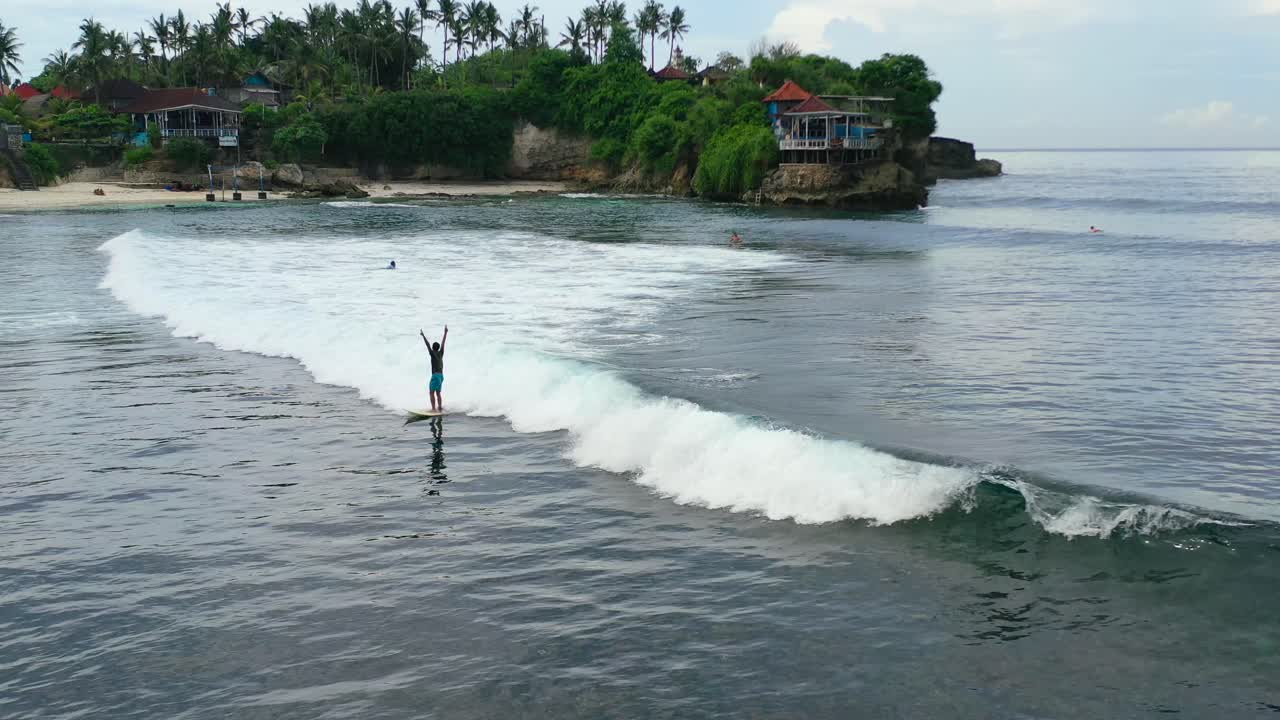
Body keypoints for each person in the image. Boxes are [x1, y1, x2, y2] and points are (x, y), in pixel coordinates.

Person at [420, 325, 448, 412]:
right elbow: (443, 343)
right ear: (438, 348)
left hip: (435, 375)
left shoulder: (432, 353)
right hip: (441, 376)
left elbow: (427, 345)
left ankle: (433, 409)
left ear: (432, 348)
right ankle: (439, 407)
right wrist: (445, 333)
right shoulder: (441, 353)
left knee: (431, 392)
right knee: (438, 393)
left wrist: (423, 336)